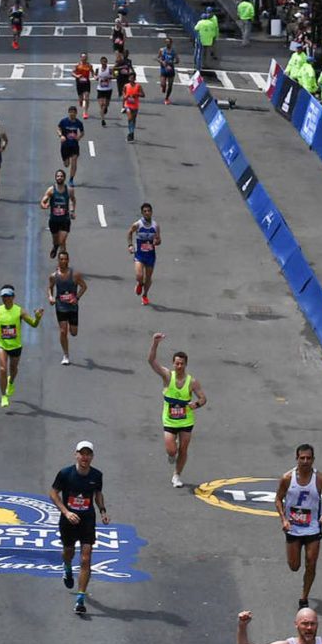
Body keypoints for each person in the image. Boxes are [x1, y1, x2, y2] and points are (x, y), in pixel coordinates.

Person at [50, 440, 107, 616]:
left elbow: (98, 494)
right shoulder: (65, 474)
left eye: (88, 454)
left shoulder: (96, 475)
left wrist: (103, 511)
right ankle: (67, 568)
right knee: (68, 551)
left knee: (85, 558)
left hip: (87, 520)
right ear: (76, 455)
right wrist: (66, 512)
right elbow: (53, 493)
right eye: (82, 454)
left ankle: (80, 598)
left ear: (92, 456)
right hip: (68, 521)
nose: (85, 457)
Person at [277, 442, 322, 607]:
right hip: (293, 528)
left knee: (311, 563)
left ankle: (304, 597)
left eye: (308, 458)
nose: (305, 461)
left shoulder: (320, 479)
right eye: (302, 458)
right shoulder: (287, 478)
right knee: (294, 566)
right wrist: (284, 519)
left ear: (313, 460)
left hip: (312, 528)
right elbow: (278, 499)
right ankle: (297, 569)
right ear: (297, 459)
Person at [148, 334, 204, 487]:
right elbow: (151, 361)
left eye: (182, 364)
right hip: (170, 420)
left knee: (184, 449)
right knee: (172, 451)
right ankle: (171, 454)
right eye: (177, 364)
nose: (179, 366)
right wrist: (155, 343)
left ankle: (177, 476)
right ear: (173, 364)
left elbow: (203, 398)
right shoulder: (167, 376)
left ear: (186, 365)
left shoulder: (192, 382)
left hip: (186, 420)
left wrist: (197, 404)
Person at [48, 250, 87, 365]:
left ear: (68, 260)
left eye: (65, 259)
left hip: (72, 307)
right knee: (63, 331)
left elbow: (84, 286)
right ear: (58, 260)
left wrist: (77, 298)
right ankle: (66, 354)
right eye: (61, 259)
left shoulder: (75, 275)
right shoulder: (54, 276)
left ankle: (72, 329)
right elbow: (50, 288)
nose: (63, 261)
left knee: (73, 332)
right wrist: (50, 297)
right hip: (61, 306)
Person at [126, 203, 160, 305]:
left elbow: (159, 239)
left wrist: (156, 242)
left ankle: (145, 295)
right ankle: (140, 284)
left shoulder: (155, 226)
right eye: (145, 211)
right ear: (142, 213)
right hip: (140, 254)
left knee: (148, 278)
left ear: (151, 212)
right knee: (139, 275)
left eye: (149, 211)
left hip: (150, 255)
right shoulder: (137, 224)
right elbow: (129, 232)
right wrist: (130, 245)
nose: (147, 213)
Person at [40, 169, 76, 260]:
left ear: (64, 178)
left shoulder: (69, 190)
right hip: (54, 220)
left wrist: (72, 211)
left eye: (61, 176)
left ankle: (62, 265)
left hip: (65, 220)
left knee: (62, 241)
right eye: (58, 176)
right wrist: (45, 206)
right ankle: (55, 246)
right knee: (56, 241)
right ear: (55, 178)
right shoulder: (51, 190)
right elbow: (42, 202)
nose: (59, 178)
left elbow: (73, 200)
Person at [57, 104, 84, 185]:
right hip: (65, 145)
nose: (72, 114)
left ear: (76, 113)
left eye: (74, 113)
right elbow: (58, 129)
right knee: (66, 165)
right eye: (70, 112)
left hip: (74, 145)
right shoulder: (64, 121)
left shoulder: (78, 123)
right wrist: (61, 136)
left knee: (74, 161)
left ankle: (71, 180)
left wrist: (79, 137)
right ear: (68, 113)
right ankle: (67, 158)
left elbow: (82, 132)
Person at [122, 73, 143, 143]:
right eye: (130, 78)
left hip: (135, 105)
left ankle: (132, 132)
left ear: (135, 79)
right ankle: (130, 133)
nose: (131, 79)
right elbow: (123, 94)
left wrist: (136, 94)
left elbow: (143, 94)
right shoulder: (126, 86)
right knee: (130, 118)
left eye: (133, 78)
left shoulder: (138, 86)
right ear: (128, 78)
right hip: (127, 105)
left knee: (133, 120)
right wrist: (125, 97)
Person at [73, 53, 93, 118]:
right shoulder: (77, 65)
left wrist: (95, 76)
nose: (84, 58)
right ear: (81, 58)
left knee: (86, 98)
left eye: (85, 57)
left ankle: (85, 112)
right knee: (81, 98)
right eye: (83, 57)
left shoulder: (89, 65)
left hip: (86, 83)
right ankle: (80, 101)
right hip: (79, 83)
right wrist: (77, 75)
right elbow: (72, 73)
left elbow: (92, 72)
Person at [158, 38, 177, 103]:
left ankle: (167, 98)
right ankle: (163, 87)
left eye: (169, 42)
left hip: (171, 69)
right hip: (164, 69)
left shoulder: (174, 51)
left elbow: (177, 60)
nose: (167, 43)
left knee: (170, 85)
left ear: (171, 43)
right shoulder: (162, 50)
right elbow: (158, 58)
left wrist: (172, 62)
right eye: (166, 42)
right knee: (163, 84)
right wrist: (162, 62)